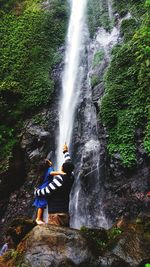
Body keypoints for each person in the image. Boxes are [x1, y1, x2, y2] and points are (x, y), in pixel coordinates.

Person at [34, 144, 74, 227]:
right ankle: (39, 218)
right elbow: (69, 163)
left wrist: (36, 192)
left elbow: (47, 191)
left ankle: (38, 218)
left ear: (62, 168)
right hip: (65, 212)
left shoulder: (59, 179)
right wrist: (65, 151)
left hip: (56, 214)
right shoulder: (72, 176)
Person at [33, 159, 54, 225]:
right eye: (49, 161)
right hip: (44, 189)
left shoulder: (44, 171)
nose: (51, 161)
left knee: (42, 205)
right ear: (48, 164)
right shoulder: (50, 169)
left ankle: (41, 219)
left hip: (41, 188)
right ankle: (38, 219)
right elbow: (52, 173)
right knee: (41, 205)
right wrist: (61, 173)